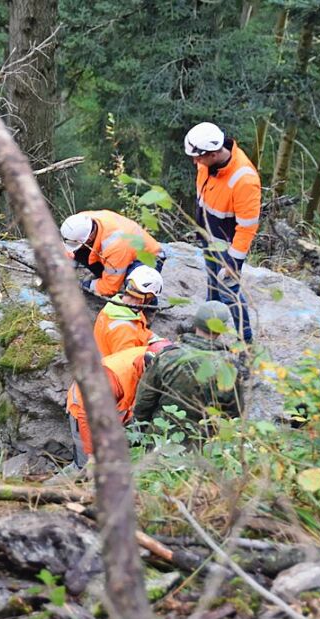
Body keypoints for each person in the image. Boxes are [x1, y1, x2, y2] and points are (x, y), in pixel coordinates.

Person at [183, 121, 261, 343]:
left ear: (214, 153)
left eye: (199, 157)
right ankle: (207, 329)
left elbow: (247, 227)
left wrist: (232, 262)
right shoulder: (207, 163)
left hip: (227, 246)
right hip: (209, 237)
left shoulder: (244, 179)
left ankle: (245, 341)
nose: (195, 162)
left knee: (230, 293)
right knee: (212, 286)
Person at [133, 300, 244, 434]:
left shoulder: (167, 356)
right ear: (222, 329)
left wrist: (141, 431)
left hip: (162, 438)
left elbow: (144, 401)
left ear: (196, 322)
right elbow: (234, 413)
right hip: (204, 444)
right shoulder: (229, 365)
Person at [65, 344, 151, 469]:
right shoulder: (112, 377)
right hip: (82, 411)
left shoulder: (161, 355)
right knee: (85, 468)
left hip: (115, 412)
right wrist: (92, 454)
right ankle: (45, 488)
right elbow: (87, 414)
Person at [60, 209, 162, 297]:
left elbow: (110, 288)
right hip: (121, 251)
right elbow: (69, 248)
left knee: (136, 287)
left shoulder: (114, 245)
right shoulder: (82, 220)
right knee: (79, 250)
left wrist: (82, 285)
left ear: (90, 238)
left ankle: (146, 309)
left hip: (149, 258)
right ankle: (111, 275)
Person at [93, 265, 165, 357]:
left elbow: (141, 332)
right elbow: (127, 364)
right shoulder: (124, 330)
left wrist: (156, 340)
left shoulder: (119, 306)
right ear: (146, 298)